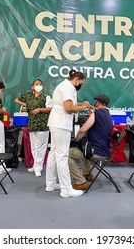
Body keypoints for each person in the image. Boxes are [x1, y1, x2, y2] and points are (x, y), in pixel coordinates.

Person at [45, 69, 90, 198]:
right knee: (62, 157)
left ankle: (50, 183)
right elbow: (68, 108)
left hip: (56, 123)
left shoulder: (65, 86)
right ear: (76, 80)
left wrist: (85, 105)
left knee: (54, 154)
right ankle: (66, 189)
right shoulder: (68, 87)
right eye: (81, 83)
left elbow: (71, 103)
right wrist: (83, 107)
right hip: (61, 124)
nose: (80, 86)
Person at [68, 94, 113, 190]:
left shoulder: (96, 114)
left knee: (65, 155)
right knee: (82, 149)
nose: (94, 103)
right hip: (105, 150)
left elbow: (82, 130)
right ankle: (87, 173)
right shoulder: (108, 115)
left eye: (96, 102)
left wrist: (76, 140)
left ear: (99, 103)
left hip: (97, 151)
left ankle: (80, 181)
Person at [15, 79, 52, 177]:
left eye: (40, 84)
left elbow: (50, 108)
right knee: (34, 146)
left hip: (42, 124)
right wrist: (24, 106)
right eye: (36, 84)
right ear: (32, 86)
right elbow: (17, 99)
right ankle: (35, 165)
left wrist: (40, 109)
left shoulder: (46, 97)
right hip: (31, 124)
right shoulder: (28, 96)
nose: (38, 86)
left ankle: (38, 167)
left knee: (41, 147)